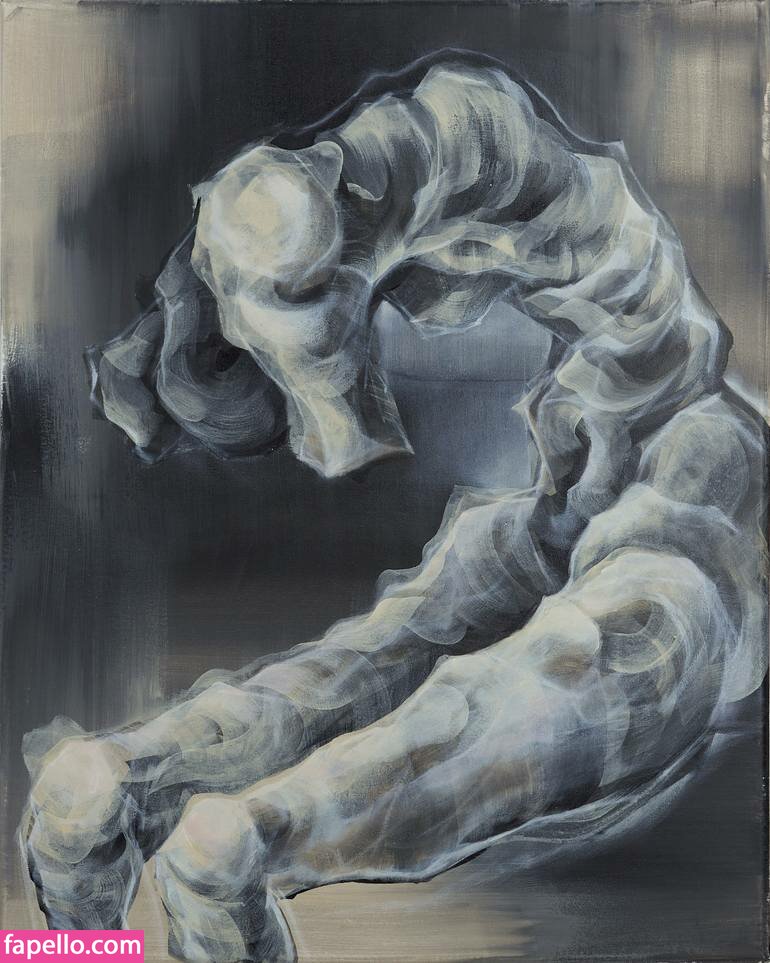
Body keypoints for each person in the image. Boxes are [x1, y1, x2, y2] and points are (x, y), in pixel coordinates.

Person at [23, 54, 767, 963]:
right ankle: (238, 836)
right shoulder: (676, 456)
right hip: (665, 488)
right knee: (534, 675)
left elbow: (611, 264)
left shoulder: (649, 407)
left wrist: (360, 183)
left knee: (380, 671)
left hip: (640, 476)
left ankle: (122, 790)